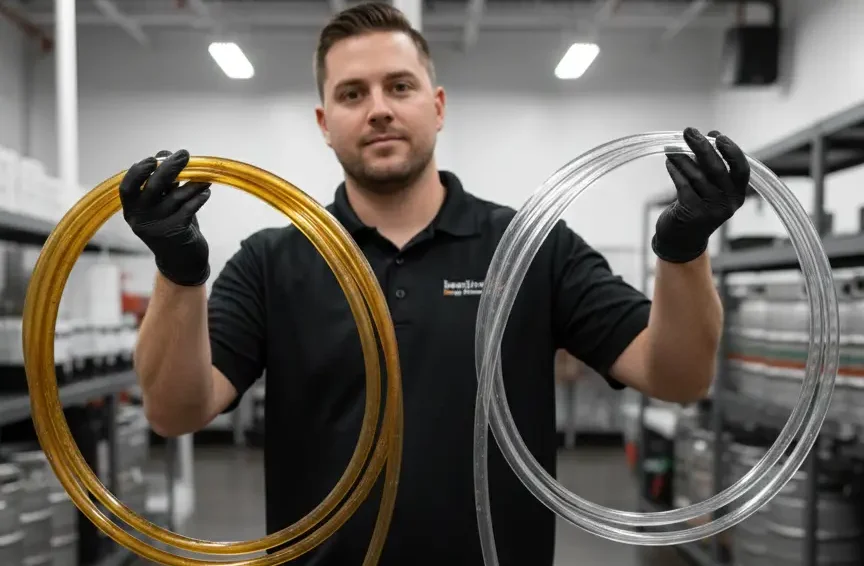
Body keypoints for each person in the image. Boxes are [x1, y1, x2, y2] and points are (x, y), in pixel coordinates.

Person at [119, 2, 749, 564]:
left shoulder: (530, 246)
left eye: (399, 86)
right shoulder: (272, 260)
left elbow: (679, 376)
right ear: (324, 120)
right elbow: (175, 411)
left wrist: (684, 249)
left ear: (438, 105)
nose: (379, 109)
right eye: (352, 94)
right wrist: (178, 270)